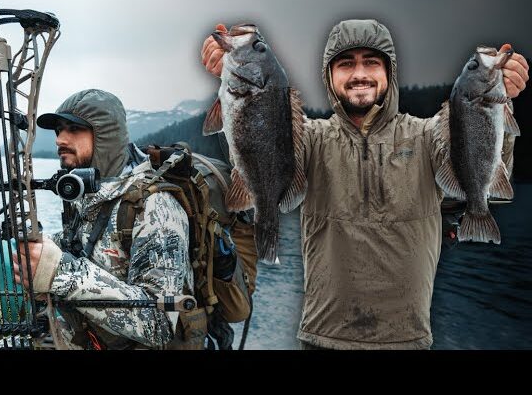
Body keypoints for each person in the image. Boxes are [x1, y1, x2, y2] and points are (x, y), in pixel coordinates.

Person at [201, 19, 529, 349]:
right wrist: (232, 80)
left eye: (371, 61)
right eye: (346, 63)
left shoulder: (429, 136)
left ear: (390, 71)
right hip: (321, 339)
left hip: (408, 340)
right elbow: (258, 149)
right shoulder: (311, 139)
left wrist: (502, 102)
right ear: (329, 76)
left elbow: (478, 166)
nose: (360, 74)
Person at [11, 89, 195, 350]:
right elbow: (86, 250)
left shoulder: (155, 207)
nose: (60, 139)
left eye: (74, 129)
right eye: (59, 130)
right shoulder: (85, 193)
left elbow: (161, 323)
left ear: (105, 135)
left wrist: (59, 272)